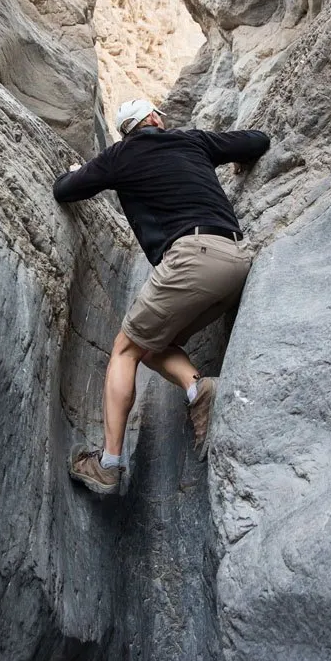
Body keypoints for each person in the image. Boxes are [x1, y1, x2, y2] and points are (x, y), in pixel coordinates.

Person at [53, 97, 270, 495]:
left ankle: (109, 463)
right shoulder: (193, 141)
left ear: (128, 130)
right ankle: (197, 388)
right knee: (152, 345)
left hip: (190, 260)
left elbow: (65, 189)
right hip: (236, 263)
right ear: (154, 119)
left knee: (124, 349)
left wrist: (77, 171)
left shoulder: (120, 156)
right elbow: (257, 141)